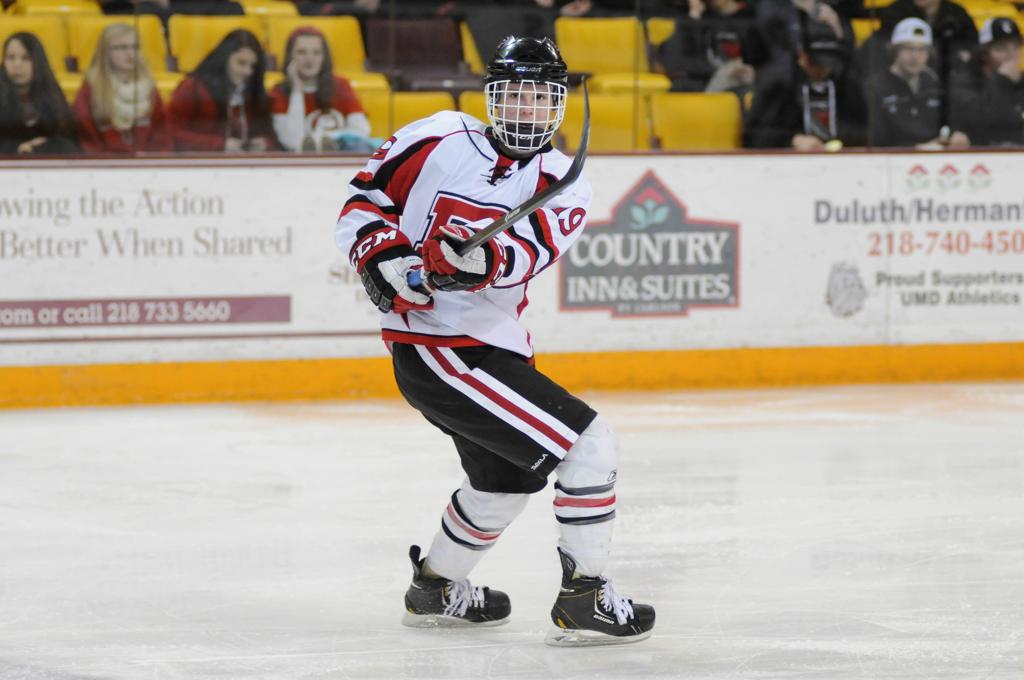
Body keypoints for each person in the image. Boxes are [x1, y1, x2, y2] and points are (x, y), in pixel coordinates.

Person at [334, 36, 655, 646]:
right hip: (441, 349)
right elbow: (364, 202)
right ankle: (585, 594)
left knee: (505, 481)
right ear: (491, 97)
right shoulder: (436, 137)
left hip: (487, 348)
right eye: (513, 95)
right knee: (589, 446)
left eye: (540, 97)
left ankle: (435, 589)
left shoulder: (565, 180)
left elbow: (526, 251)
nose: (525, 110)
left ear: (557, 104)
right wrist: (385, 258)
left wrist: (476, 261)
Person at [744, 18, 866, 149]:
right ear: (802, 55)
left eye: (828, 63)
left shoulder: (848, 83)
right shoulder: (779, 86)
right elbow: (753, 137)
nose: (822, 69)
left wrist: (843, 136)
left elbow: (869, 129)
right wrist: (792, 140)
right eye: (816, 63)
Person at [168, 29, 278, 152]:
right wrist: (220, 145)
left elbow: (271, 136)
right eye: (241, 63)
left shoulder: (254, 91)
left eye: (253, 66)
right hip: (200, 166)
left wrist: (265, 143)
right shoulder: (192, 87)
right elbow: (170, 135)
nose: (248, 72)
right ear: (224, 59)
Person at [867, 17, 969, 148]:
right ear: (895, 51)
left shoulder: (935, 84)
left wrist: (956, 136)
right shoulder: (875, 87)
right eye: (909, 49)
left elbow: (950, 123)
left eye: (922, 50)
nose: (915, 56)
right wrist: (917, 149)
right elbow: (877, 140)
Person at [72, 24, 172, 153]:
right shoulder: (90, 90)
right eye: (121, 48)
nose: (130, 54)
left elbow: (162, 134)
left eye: (135, 47)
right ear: (105, 52)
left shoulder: (149, 88)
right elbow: (85, 139)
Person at [268, 26, 371, 152]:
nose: (309, 58)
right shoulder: (278, 92)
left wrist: (324, 138)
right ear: (290, 56)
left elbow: (362, 130)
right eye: (301, 52)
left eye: (316, 52)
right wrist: (296, 91)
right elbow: (293, 142)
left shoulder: (341, 86)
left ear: (324, 57)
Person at [0, 32, 79, 155]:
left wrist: (46, 146)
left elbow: (70, 141)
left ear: (38, 62)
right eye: (10, 58)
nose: (17, 65)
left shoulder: (53, 95)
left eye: (26, 58)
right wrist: (16, 148)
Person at [657, 0, 756, 94]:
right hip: (709, 78)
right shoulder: (699, 19)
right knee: (680, 87)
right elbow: (676, 59)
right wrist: (694, 15)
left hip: (745, 78)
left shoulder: (752, 15)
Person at [968, 18, 1024, 146]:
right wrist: (1001, 81)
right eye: (1001, 48)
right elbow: (984, 124)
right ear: (984, 54)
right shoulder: (970, 82)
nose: (1011, 56)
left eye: (1016, 47)